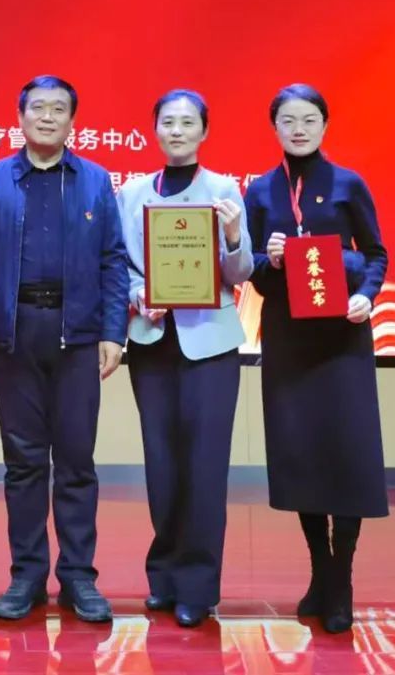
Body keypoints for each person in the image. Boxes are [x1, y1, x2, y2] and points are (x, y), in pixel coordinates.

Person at [0, 75, 129, 622]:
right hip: (15, 334)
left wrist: (113, 332)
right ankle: (26, 575)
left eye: (59, 109)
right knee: (24, 463)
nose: (48, 117)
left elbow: (113, 260)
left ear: (73, 121)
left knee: (77, 461)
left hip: (77, 334)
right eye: (38, 108)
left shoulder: (95, 181)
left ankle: (79, 577)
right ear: (20, 117)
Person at [242, 83, 388, 634]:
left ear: (325, 125)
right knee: (301, 453)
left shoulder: (349, 183)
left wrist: (366, 294)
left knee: (345, 454)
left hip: (343, 338)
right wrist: (272, 260)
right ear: (274, 128)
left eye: (308, 119)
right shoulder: (261, 191)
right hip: (289, 338)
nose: (298, 129)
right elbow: (253, 272)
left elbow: (376, 253)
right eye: (287, 120)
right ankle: (319, 570)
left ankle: (342, 577)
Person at [115, 89, 253, 627]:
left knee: (205, 463)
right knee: (162, 462)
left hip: (210, 344)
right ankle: (164, 575)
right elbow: (121, 264)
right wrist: (138, 294)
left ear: (204, 131)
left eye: (187, 122)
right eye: (168, 122)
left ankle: (199, 583)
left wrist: (234, 235)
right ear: (155, 130)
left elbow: (239, 273)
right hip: (151, 340)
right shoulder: (131, 193)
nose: (176, 131)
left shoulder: (223, 189)